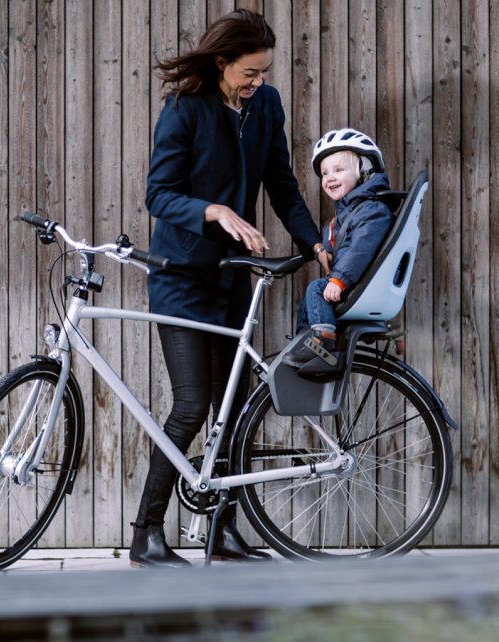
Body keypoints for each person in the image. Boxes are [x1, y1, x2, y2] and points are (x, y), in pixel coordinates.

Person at [130, 9, 328, 568]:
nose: (257, 82)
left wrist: (314, 244)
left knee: (234, 411)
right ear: (221, 63)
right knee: (192, 406)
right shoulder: (184, 109)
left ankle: (223, 532)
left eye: (264, 72)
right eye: (249, 72)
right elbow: (159, 194)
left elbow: (282, 184)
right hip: (182, 276)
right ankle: (146, 534)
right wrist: (213, 209)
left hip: (231, 277)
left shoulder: (265, 106)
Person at [283, 128, 394, 374]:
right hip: (355, 283)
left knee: (317, 289)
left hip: (358, 284)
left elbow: (360, 250)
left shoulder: (371, 211)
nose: (329, 177)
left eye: (338, 170)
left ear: (364, 170)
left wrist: (339, 279)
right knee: (309, 300)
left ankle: (322, 345)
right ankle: (305, 345)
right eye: (324, 173)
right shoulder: (352, 212)